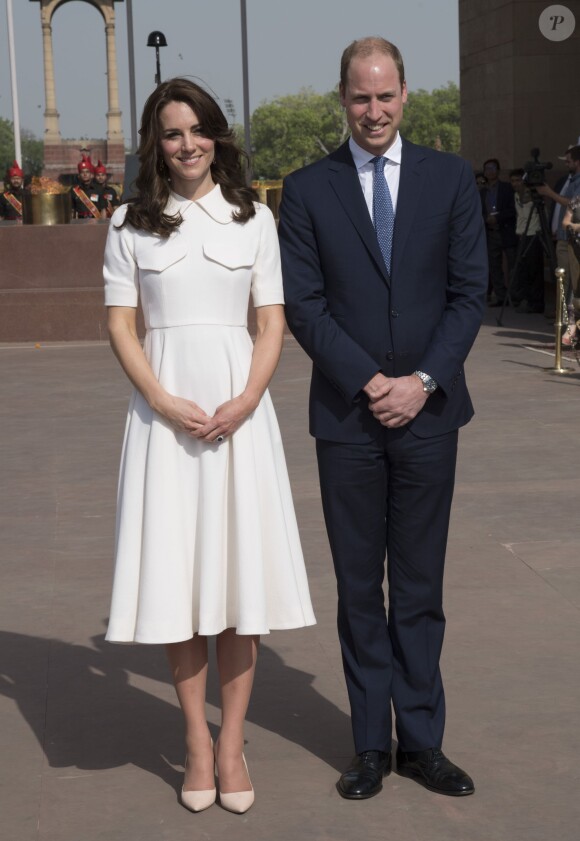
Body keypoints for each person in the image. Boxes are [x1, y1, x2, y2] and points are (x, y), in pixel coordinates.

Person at [278, 36, 487, 801]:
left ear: (405, 93)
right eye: (360, 97)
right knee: (361, 587)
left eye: (385, 95)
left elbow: (470, 294)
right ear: (344, 97)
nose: (374, 110)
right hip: (348, 418)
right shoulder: (306, 190)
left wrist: (423, 379)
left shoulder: (451, 179)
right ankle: (370, 743)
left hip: (430, 416)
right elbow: (304, 304)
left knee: (422, 585)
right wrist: (372, 381)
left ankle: (423, 741)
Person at [103, 77, 315, 815]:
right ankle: (196, 739)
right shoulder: (131, 220)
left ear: (217, 135)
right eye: (171, 132)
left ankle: (233, 744)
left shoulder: (252, 216)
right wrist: (161, 399)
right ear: (154, 144)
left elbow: (272, 320)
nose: (186, 144)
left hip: (239, 418)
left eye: (197, 130)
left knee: (236, 587)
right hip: (164, 424)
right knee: (179, 582)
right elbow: (122, 325)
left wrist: (248, 398)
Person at [537, 145, 580, 343]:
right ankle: (568, 326)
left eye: (569, 160)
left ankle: (571, 328)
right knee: (565, 284)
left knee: (571, 285)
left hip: (573, 241)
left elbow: (572, 203)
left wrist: (550, 193)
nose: (566, 163)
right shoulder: (568, 179)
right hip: (563, 237)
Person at [480, 158, 517, 305]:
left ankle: (515, 296)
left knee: (513, 264)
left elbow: (513, 210)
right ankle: (500, 296)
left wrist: (499, 218)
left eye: (493, 168)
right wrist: (486, 219)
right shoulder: (482, 192)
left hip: (506, 230)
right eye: (487, 168)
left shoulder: (507, 188)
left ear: (498, 171)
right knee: (494, 266)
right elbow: (477, 211)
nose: (490, 171)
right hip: (490, 232)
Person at [508, 168, 545, 313]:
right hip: (521, 234)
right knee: (523, 269)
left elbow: (530, 203)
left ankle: (536, 302)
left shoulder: (531, 194)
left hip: (533, 234)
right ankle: (527, 299)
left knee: (534, 269)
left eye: (518, 180)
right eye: (513, 181)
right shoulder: (515, 196)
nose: (515, 184)